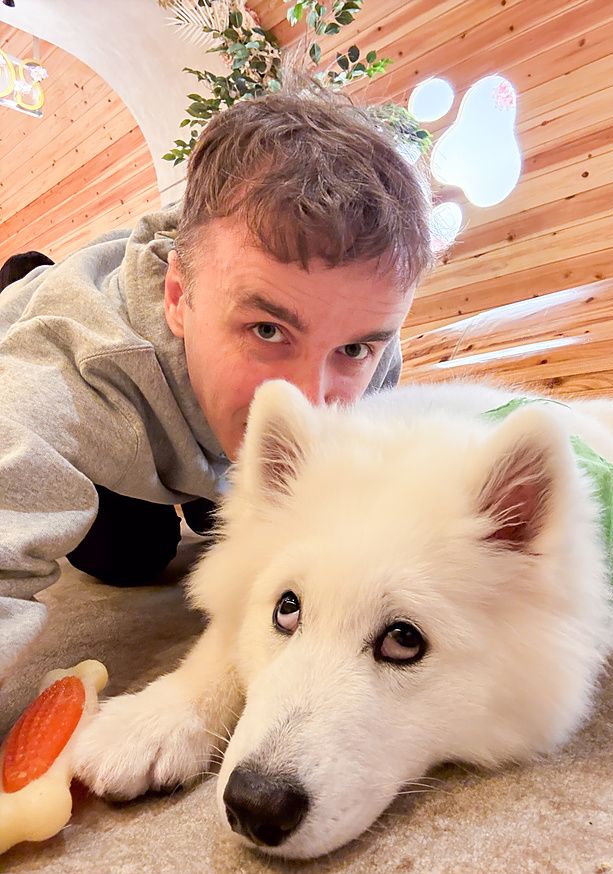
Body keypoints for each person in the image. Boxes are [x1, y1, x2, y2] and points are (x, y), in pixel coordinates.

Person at [0, 76, 433, 678]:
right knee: (128, 560)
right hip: (116, 394)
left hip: (205, 425)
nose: (307, 402)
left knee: (237, 526)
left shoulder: (372, 351)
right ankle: (24, 274)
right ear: (179, 297)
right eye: (267, 330)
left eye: (353, 348)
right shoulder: (78, 370)